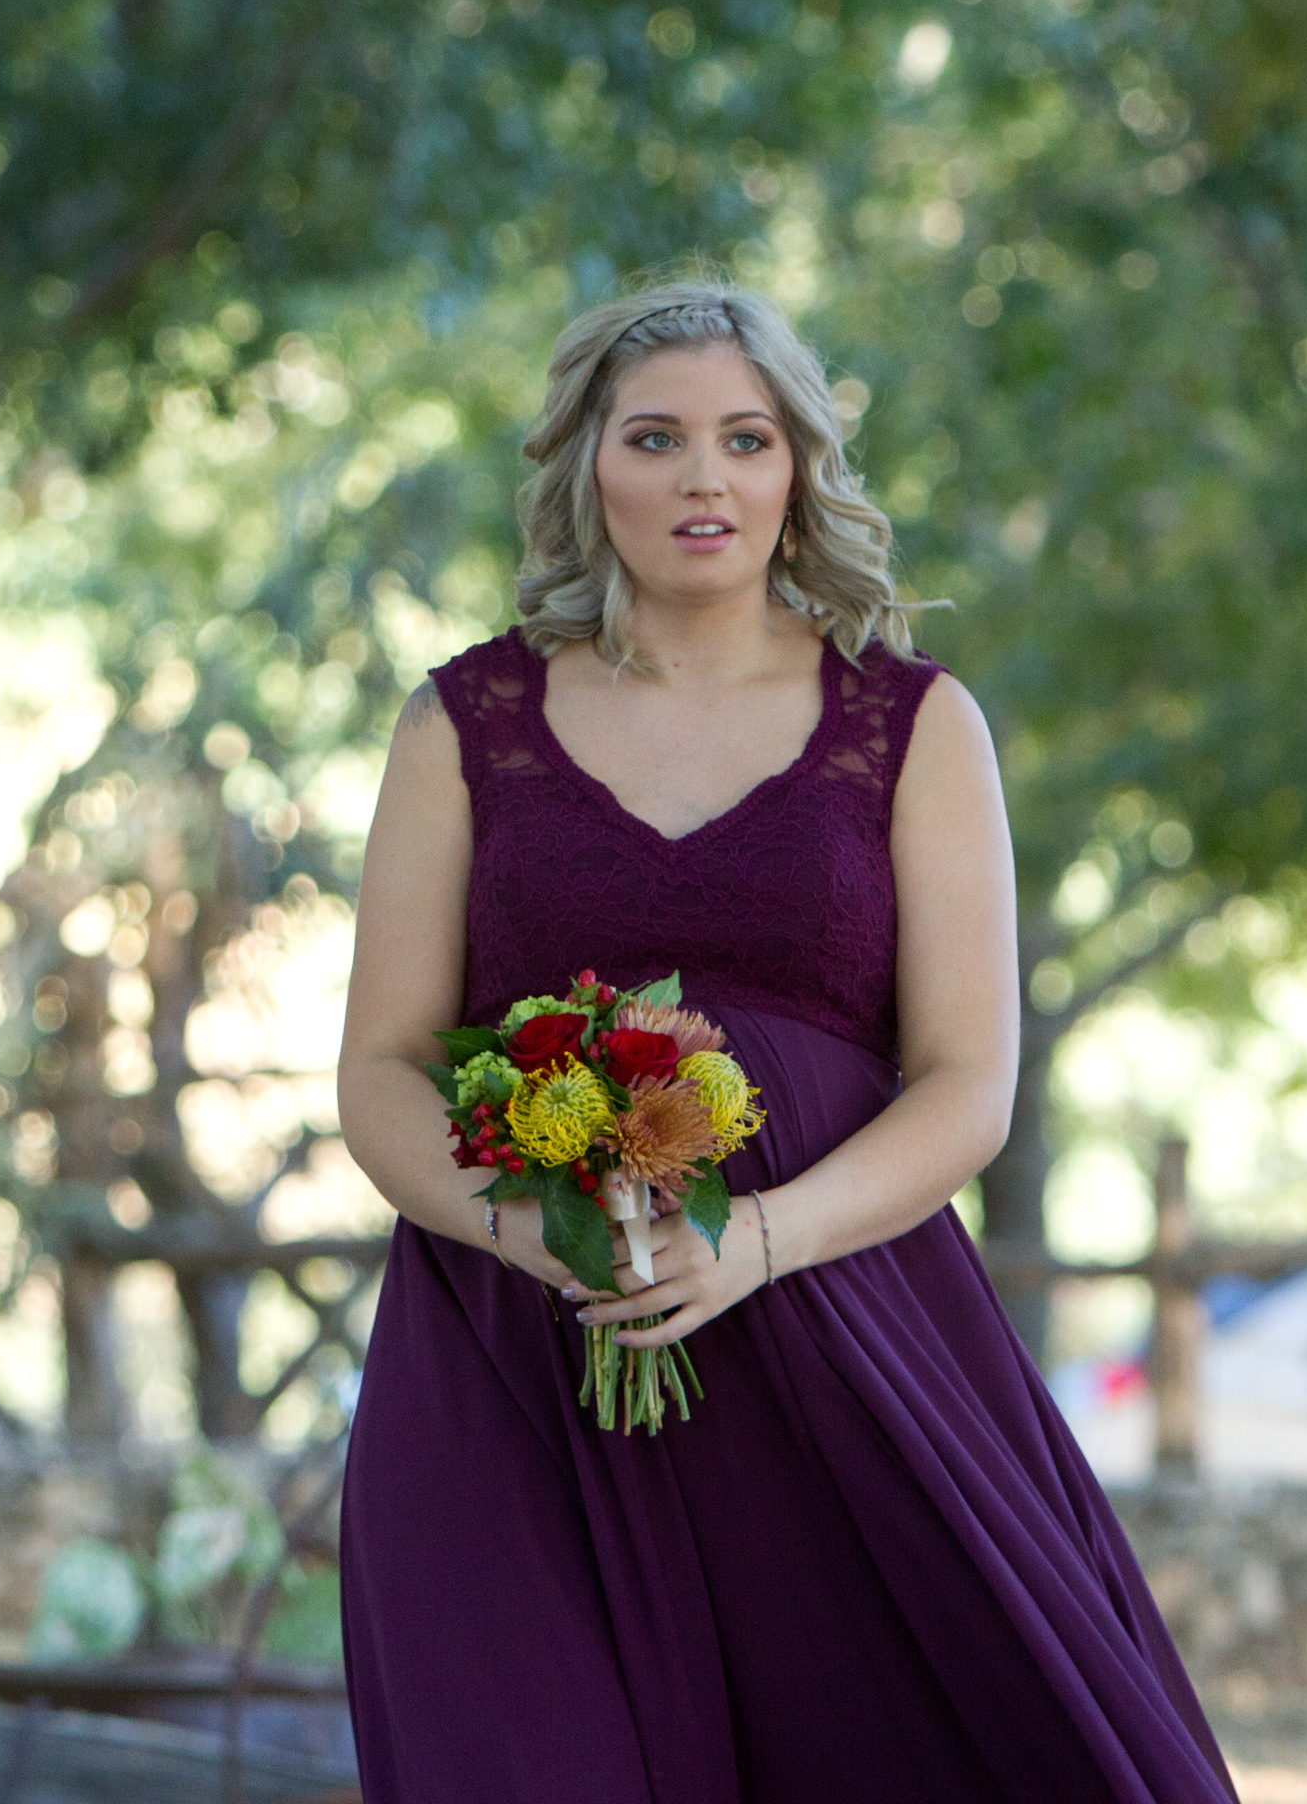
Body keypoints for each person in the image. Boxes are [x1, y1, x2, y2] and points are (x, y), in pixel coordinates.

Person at [334, 278, 1232, 1802]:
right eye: (657, 438)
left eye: (746, 439)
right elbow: (380, 1067)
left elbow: (969, 1082)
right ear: (586, 466)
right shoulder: (460, 725)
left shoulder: (913, 724)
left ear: (800, 467)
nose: (705, 478)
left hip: (842, 1347)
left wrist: (753, 1241)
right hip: (517, 1357)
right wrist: (534, 1237)